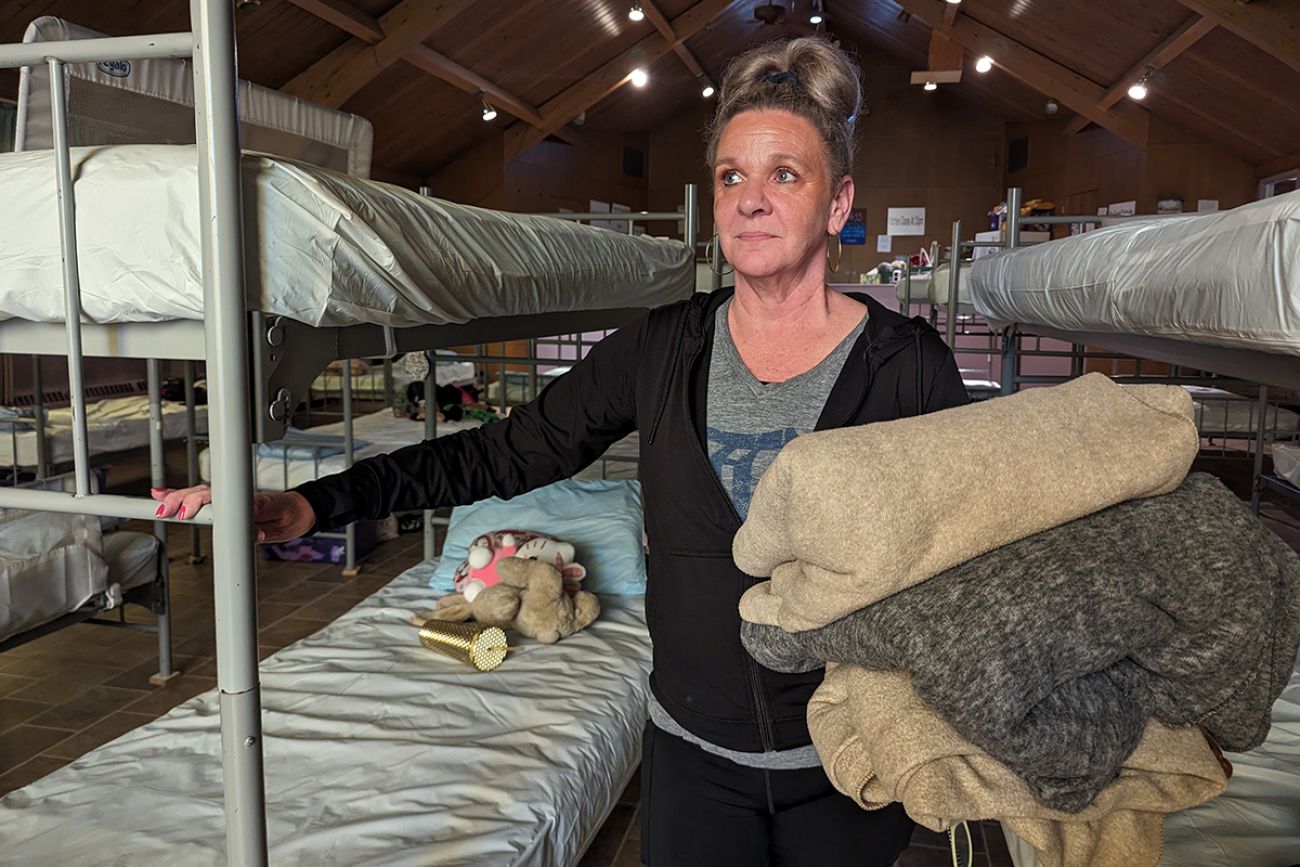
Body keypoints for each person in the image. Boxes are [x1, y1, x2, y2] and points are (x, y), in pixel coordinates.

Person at [157, 36, 968, 867]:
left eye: (783, 175)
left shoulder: (906, 367)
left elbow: (971, 553)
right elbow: (505, 452)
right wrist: (321, 499)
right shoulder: (659, 350)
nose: (750, 200)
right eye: (731, 176)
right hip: (694, 761)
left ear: (838, 203)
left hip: (847, 761)